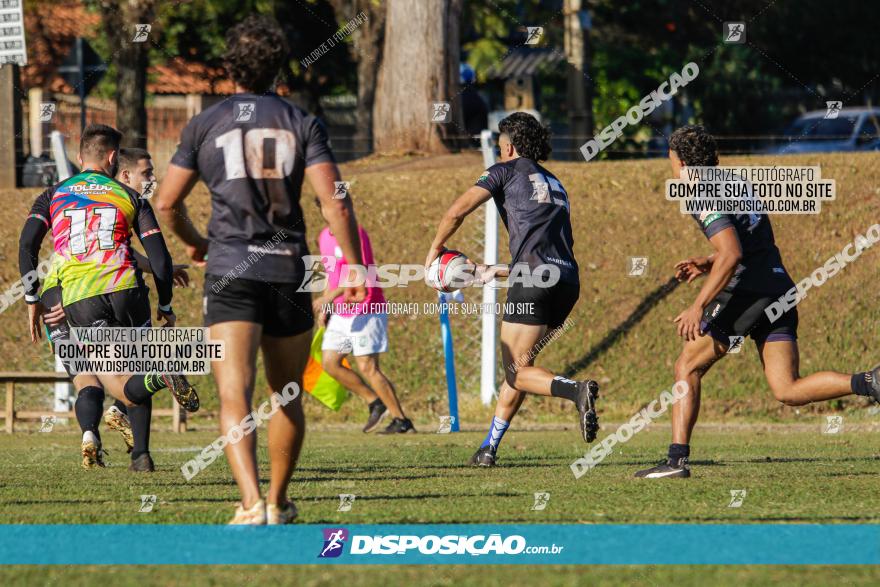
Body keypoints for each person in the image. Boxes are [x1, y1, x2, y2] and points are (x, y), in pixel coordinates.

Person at [155, 15, 365, 525]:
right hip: (287, 270)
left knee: (234, 394)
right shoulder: (302, 121)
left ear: (230, 66)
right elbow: (333, 202)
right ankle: (278, 499)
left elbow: (165, 204)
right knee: (286, 392)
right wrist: (354, 267)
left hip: (230, 269)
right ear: (278, 67)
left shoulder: (204, 123)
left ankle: (249, 503)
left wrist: (196, 242)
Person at [634, 125, 880, 479]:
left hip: (748, 292)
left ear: (683, 162)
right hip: (778, 286)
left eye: (670, 160)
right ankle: (869, 382)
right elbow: (745, 244)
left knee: (686, 366)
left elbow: (732, 253)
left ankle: (676, 461)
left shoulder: (698, 190)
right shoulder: (735, 182)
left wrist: (698, 305)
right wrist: (708, 262)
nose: (669, 167)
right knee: (787, 389)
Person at [19, 124, 200, 474]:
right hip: (128, 290)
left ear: (79, 157)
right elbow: (159, 258)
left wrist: (31, 298)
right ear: (114, 157)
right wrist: (165, 304)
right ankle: (141, 457)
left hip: (80, 296)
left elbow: (27, 246)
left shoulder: (53, 194)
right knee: (132, 371)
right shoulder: (130, 196)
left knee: (109, 381)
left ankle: (155, 383)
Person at [424, 112, 599, 468]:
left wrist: (434, 250)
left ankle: (575, 390)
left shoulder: (504, 170)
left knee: (516, 372)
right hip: (566, 283)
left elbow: (456, 212)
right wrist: (495, 271)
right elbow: (548, 249)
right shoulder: (556, 182)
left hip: (534, 281)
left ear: (508, 146)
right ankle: (489, 448)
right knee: (522, 367)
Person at [312, 198, 414, 433]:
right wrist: (328, 304)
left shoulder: (356, 234)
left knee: (368, 367)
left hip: (366, 307)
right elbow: (331, 274)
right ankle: (374, 401)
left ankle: (401, 421)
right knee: (329, 362)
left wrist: (328, 298)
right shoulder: (324, 237)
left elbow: (361, 271)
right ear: (323, 210)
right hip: (341, 311)